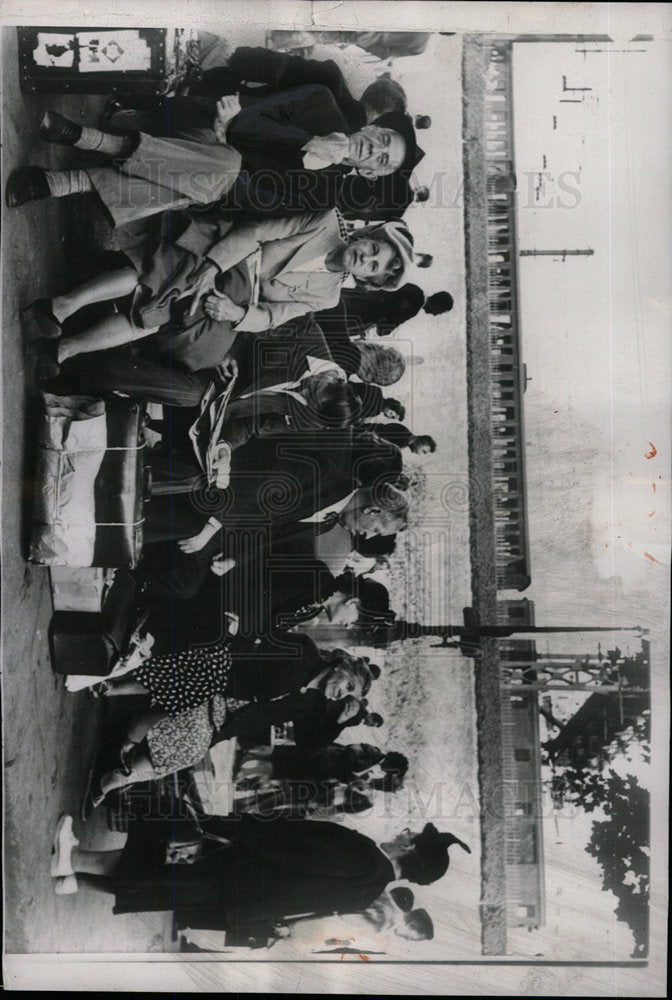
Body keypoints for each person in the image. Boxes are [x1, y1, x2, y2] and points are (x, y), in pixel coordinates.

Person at [26, 210, 414, 379]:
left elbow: (273, 317)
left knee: (184, 322)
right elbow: (256, 232)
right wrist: (212, 268)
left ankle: (68, 344)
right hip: (229, 251)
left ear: (368, 281)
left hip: (236, 297)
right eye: (375, 250)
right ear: (367, 236)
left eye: (373, 268)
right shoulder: (324, 221)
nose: (367, 259)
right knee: (174, 279)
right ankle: (64, 310)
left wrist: (234, 313)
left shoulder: (329, 296)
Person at [50, 811, 469, 942]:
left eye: (413, 835)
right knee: (157, 885)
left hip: (238, 863)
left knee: (153, 857)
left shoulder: (362, 853)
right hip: (240, 896)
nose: (407, 831)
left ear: (411, 850)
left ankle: (72, 857)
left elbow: (291, 843)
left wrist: (233, 826)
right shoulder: (368, 890)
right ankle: (74, 883)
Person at [6, 89, 418, 221]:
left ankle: (83, 141)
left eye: (381, 160)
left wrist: (304, 154)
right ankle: (63, 176)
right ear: (371, 127)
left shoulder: (324, 194)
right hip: (196, 130)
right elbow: (245, 112)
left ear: (368, 175)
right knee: (218, 168)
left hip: (210, 179)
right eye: (382, 139)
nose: (374, 149)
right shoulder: (321, 102)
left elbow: (255, 200)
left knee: (221, 171)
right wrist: (303, 140)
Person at [86, 635, 378, 807]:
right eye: (348, 685)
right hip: (219, 681)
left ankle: (118, 776)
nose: (343, 694)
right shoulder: (304, 649)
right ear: (340, 666)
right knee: (194, 724)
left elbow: (306, 747)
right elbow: (249, 648)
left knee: (194, 749)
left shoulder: (313, 704)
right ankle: (117, 707)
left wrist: (337, 723)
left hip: (223, 721)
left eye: (349, 695)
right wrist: (214, 685)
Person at [316, 284, 453, 340]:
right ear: (437, 305)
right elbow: (384, 329)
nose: (435, 314)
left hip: (358, 295)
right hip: (360, 314)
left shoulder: (415, 288)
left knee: (322, 300)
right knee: (323, 322)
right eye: (439, 312)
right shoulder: (413, 308)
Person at [369, 424, 437, 455]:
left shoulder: (404, 443)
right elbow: (375, 433)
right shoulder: (403, 433)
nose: (420, 454)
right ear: (422, 442)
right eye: (423, 451)